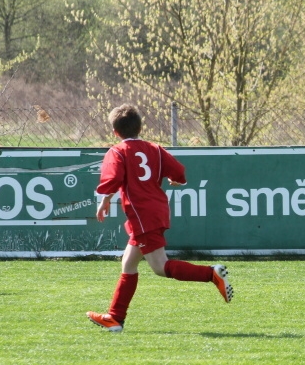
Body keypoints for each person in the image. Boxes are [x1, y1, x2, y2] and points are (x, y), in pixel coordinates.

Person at [87, 104, 233, 333]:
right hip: (156, 211)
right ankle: (114, 318)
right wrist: (178, 180)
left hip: (141, 215)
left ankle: (211, 274)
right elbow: (179, 171)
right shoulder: (154, 148)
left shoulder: (117, 151)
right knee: (128, 263)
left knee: (160, 267)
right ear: (140, 127)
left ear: (115, 132)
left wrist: (104, 199)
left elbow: (113, 177)